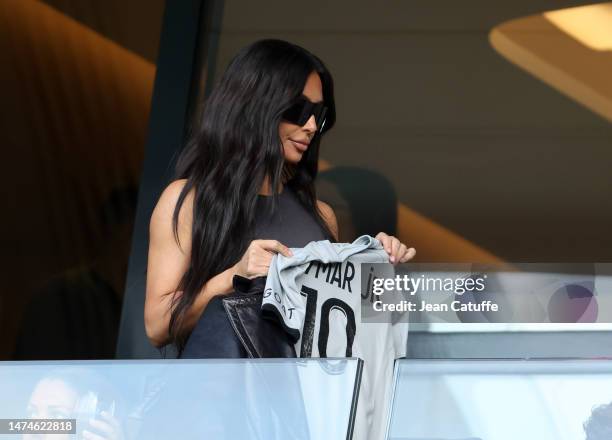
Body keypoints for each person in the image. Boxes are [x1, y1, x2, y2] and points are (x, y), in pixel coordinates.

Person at [144, 39, 416, 354]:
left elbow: (334, 328)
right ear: (256, 105)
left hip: (298, 396)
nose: (312, 126)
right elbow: (157, 324)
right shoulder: (187, 199)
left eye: (319, 114)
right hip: (215, 394)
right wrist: (236, 275)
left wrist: (376, 265)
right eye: (299, 110)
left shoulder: (320, 215)